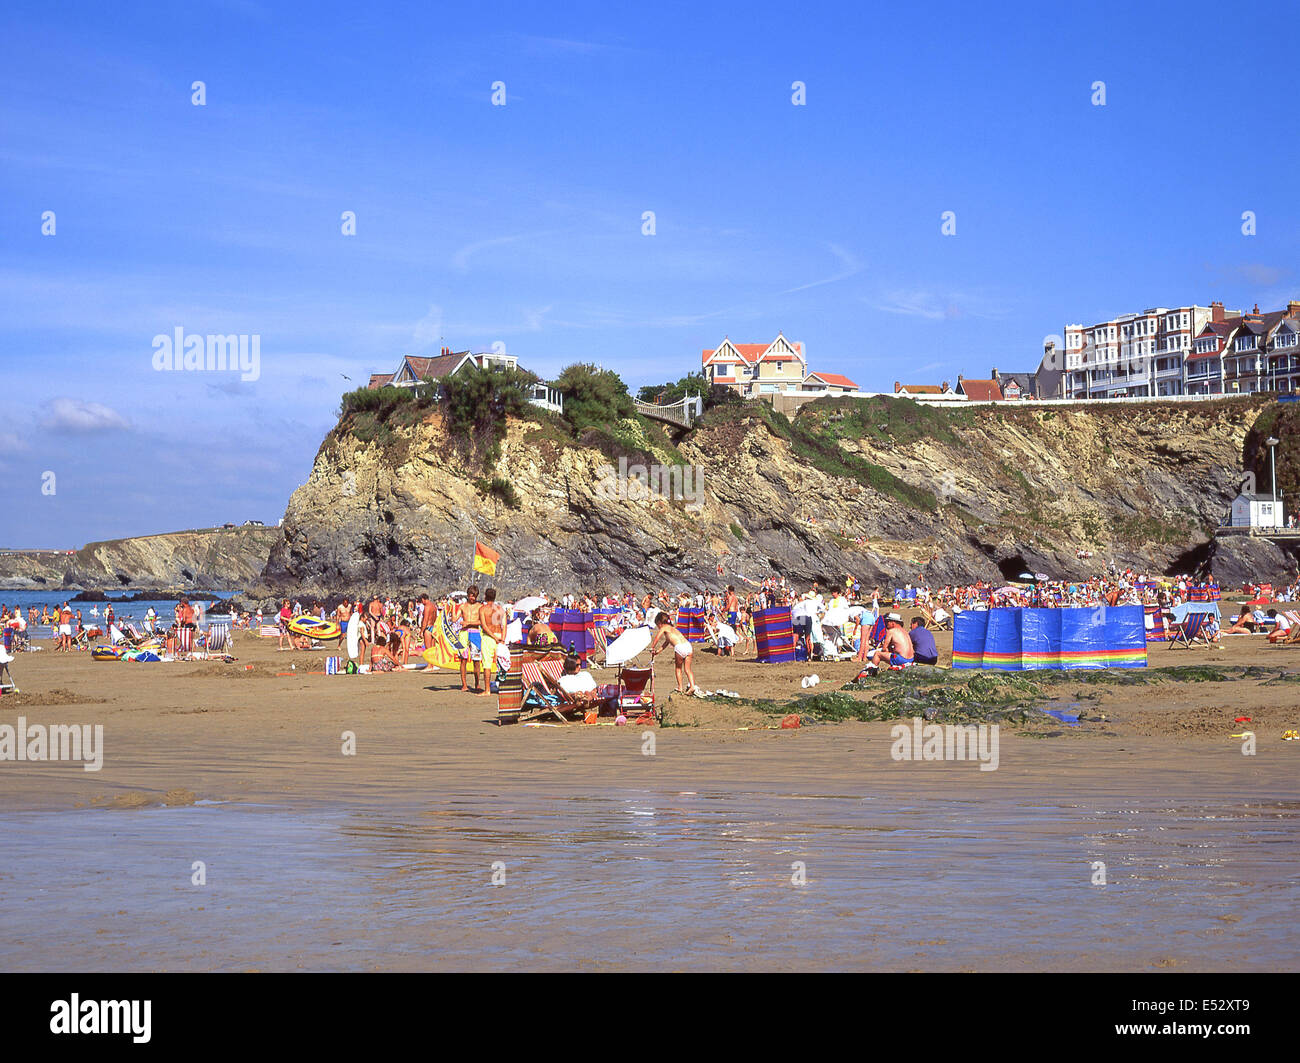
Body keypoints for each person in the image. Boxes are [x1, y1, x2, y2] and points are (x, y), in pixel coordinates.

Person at [650, 614, 697, 694]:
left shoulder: (664, 627)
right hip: (688, 646)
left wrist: (652, 647)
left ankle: (680, 687)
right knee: (688, 669)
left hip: (680, 647)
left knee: (678, 668)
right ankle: (692, 686)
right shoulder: (672, 629)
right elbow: (666, 643)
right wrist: (658, 651)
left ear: (659, 623)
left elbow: (657, 637)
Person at [480, 587, 509, 697]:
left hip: (489, 637)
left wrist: (494, 637)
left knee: (487, 663)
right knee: (501, 662)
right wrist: (502, 638)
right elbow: (504, 625)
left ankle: (487, 690)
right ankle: (503, 687)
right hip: (499, 636)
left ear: (485, 596)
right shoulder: (500, 609)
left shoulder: (483, 609)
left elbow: (484, 626)